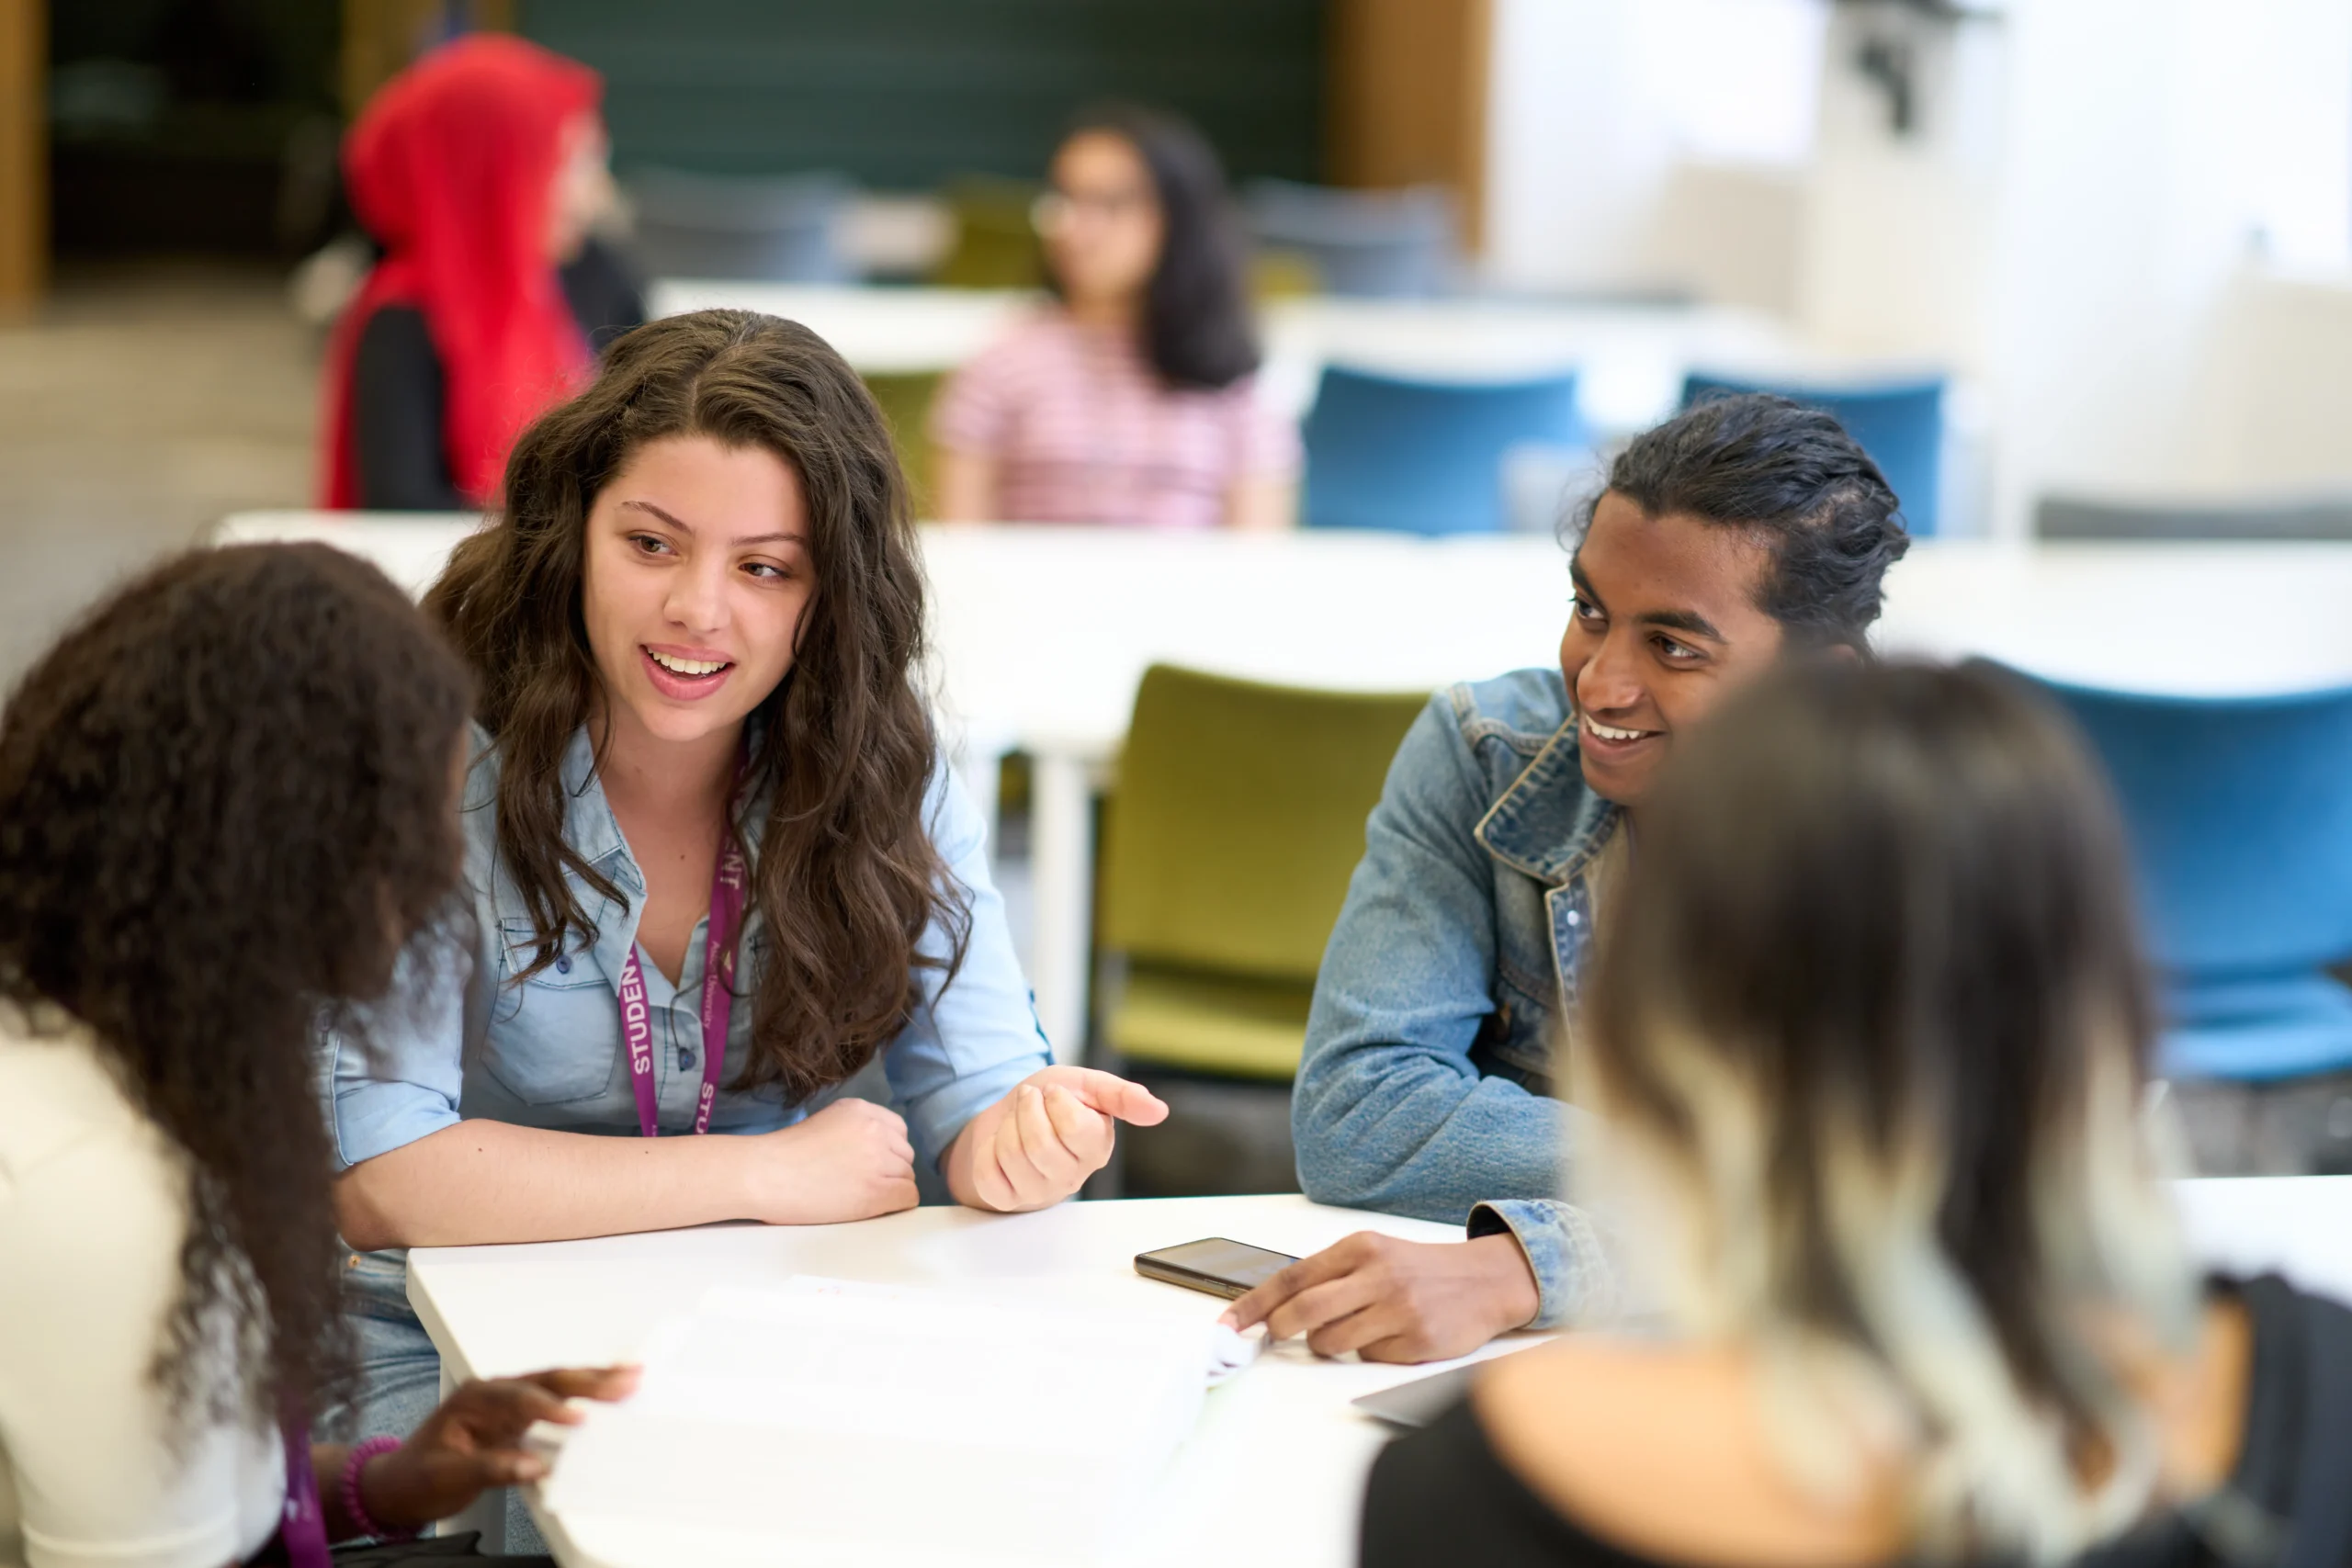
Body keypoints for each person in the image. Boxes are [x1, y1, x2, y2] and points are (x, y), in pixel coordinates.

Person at [324, 308, 1168, 1476]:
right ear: (573, 536)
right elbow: (378, 1179)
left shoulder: (884, 772)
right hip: (436, 1329)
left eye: (764, 568)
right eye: (652, 545)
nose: (697, 610)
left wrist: (1029, 1140)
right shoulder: (433, 758)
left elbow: (979, 1109)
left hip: (749, 1319)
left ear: (826, 596)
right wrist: (764, 1174)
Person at [1362, 659, 2352, 1568]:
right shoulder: (2316, 1388)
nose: (1608, 682)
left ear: (1640, 1038)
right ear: (2115, 1009)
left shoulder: (1481, 1485)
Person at [1225, 393, 1911, 1361]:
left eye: (1672, 646)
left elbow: (1906, 1217)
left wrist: (1540, 1264)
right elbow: (1358, 1119)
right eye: (1590, 610)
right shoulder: (1485, 753)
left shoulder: (1921, 840)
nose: (1599, 683)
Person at [0, 542, 636, 1566]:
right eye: (411, 833)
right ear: (285, 848)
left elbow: (167, 1494)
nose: (435, 881)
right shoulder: (107, 1197)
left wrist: (377, 1483)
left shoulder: (86, 1024)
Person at [930, 104, 1299, 530]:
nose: (1074, 226)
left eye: (1111, 203)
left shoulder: (1230, 375)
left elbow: (1260, 564)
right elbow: (962, 546)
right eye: (1065, 199)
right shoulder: (1001, 361)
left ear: (1176, 218)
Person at [319, 34, 645, 513]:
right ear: (494, 177)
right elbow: (402, 505)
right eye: (572, 167)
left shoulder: (588, 269)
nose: (595, 195)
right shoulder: (405, 319)